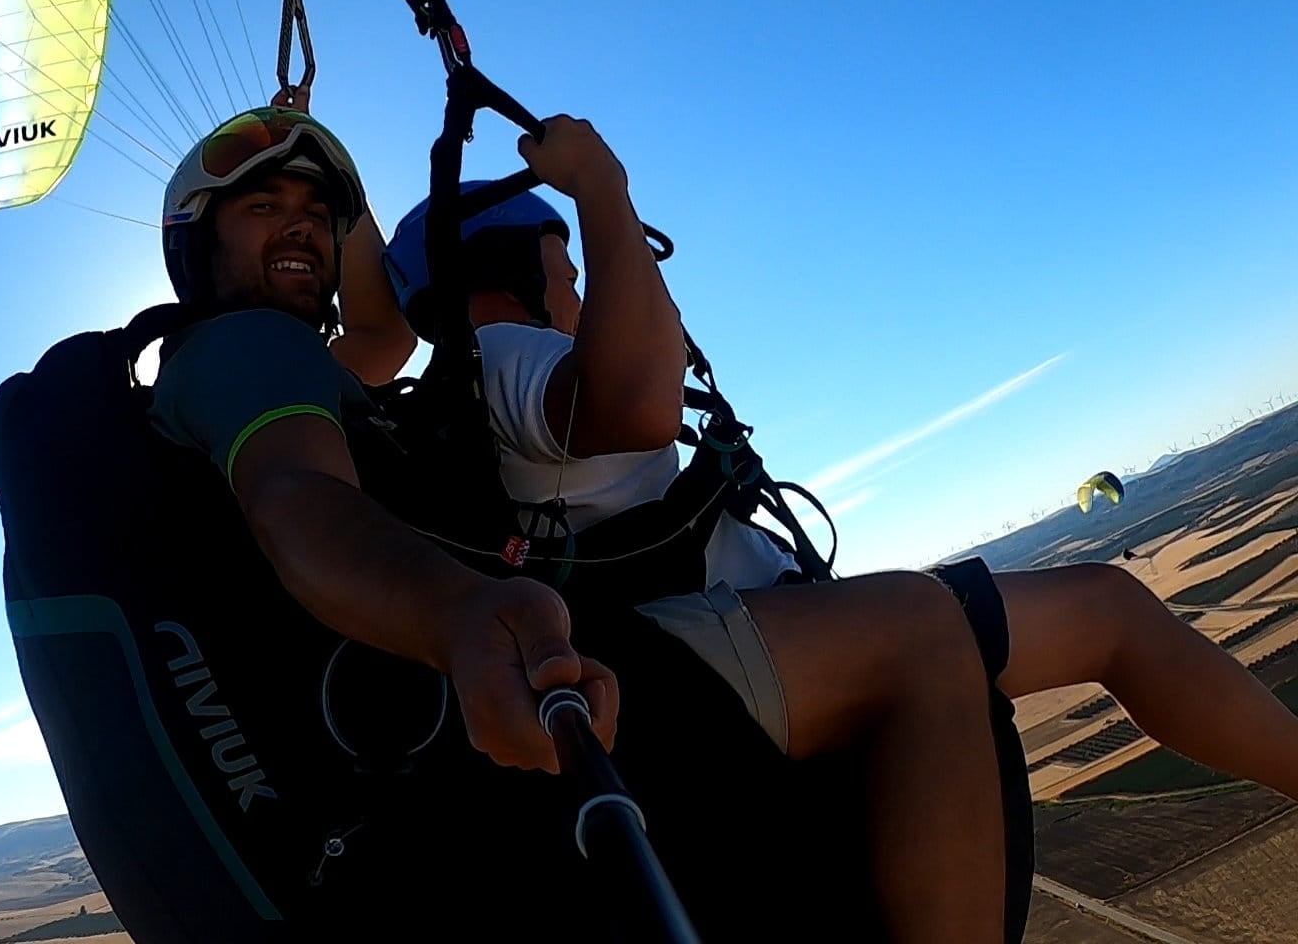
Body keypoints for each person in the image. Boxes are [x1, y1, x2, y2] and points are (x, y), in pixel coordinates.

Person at [142, 104, 1022, 942]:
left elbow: (384, 330)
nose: (301, 228)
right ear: (194, 240)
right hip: (498, 696)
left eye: (315, 215)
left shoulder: (301, 366)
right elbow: (298, 498)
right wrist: (456, 614)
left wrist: (307, 144)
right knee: (919, 626)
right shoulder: (249, 350)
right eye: (264, 208)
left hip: (452, 727)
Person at [381, 119, 1298, 814]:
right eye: (568, 275)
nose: (581, 294)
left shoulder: (485, 380)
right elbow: (638, 403)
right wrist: (602, 192)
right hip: (733, 650)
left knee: (1104, 610)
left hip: (752, 637)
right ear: (504, 275)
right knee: (1105, 612)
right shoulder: (500, 352)